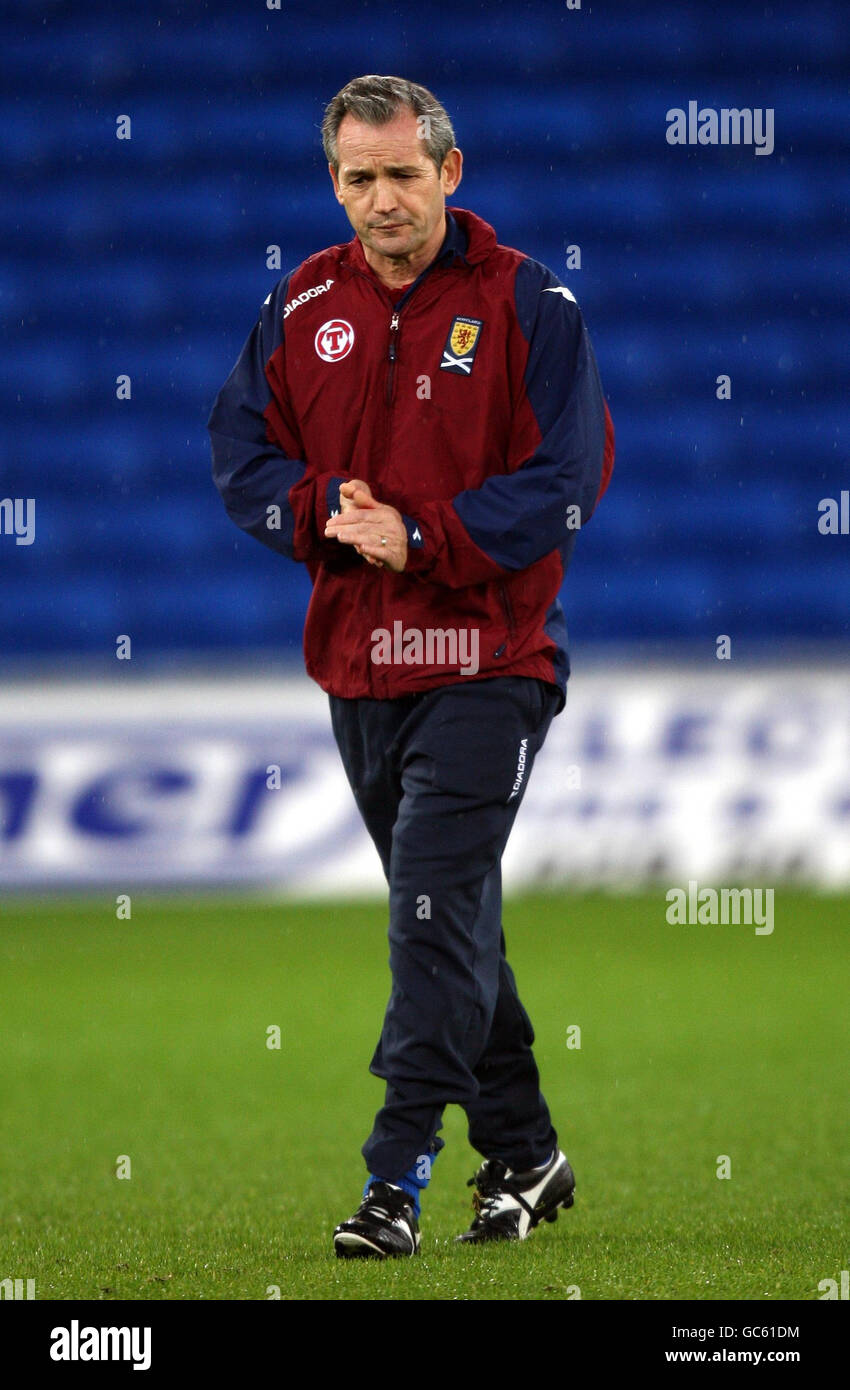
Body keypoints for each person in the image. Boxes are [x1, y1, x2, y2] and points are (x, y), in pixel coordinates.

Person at [208, 74, 614, 1259]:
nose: (380, 200)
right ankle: (528, 1155)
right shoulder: (301, 302)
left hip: (488, 657)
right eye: (356, 178)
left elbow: (566, 483)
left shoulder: (532, 305)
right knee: (453, 923)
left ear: (450, 170)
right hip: (357, 664)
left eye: (400, 173)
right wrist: (313, 510)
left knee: (426, 920)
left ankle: (394, 1182)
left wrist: (425, 535)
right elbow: (239, 446)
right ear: (333, 182)